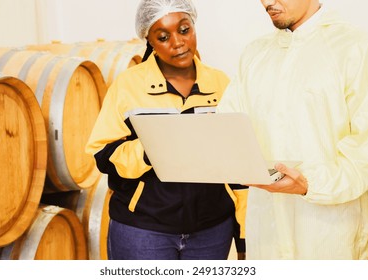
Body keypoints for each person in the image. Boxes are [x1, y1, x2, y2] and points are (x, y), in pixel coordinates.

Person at [85, 0, 247, 260]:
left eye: (184, 30)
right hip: (143, 230)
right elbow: (103, 154)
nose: (178, 42)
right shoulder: (128, 85)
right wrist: (152, 149)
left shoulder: (221, 84)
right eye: (163, 36)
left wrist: (242, 236)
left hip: (212, 230)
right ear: (149, 40)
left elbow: (239, 166)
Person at [217, 0, 368, 259]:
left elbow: (367, 148)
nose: (268, 2)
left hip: (330, 232)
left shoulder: (356, 48)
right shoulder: (255, 54)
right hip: (267, 231)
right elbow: (228, 126)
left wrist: (309, 184)